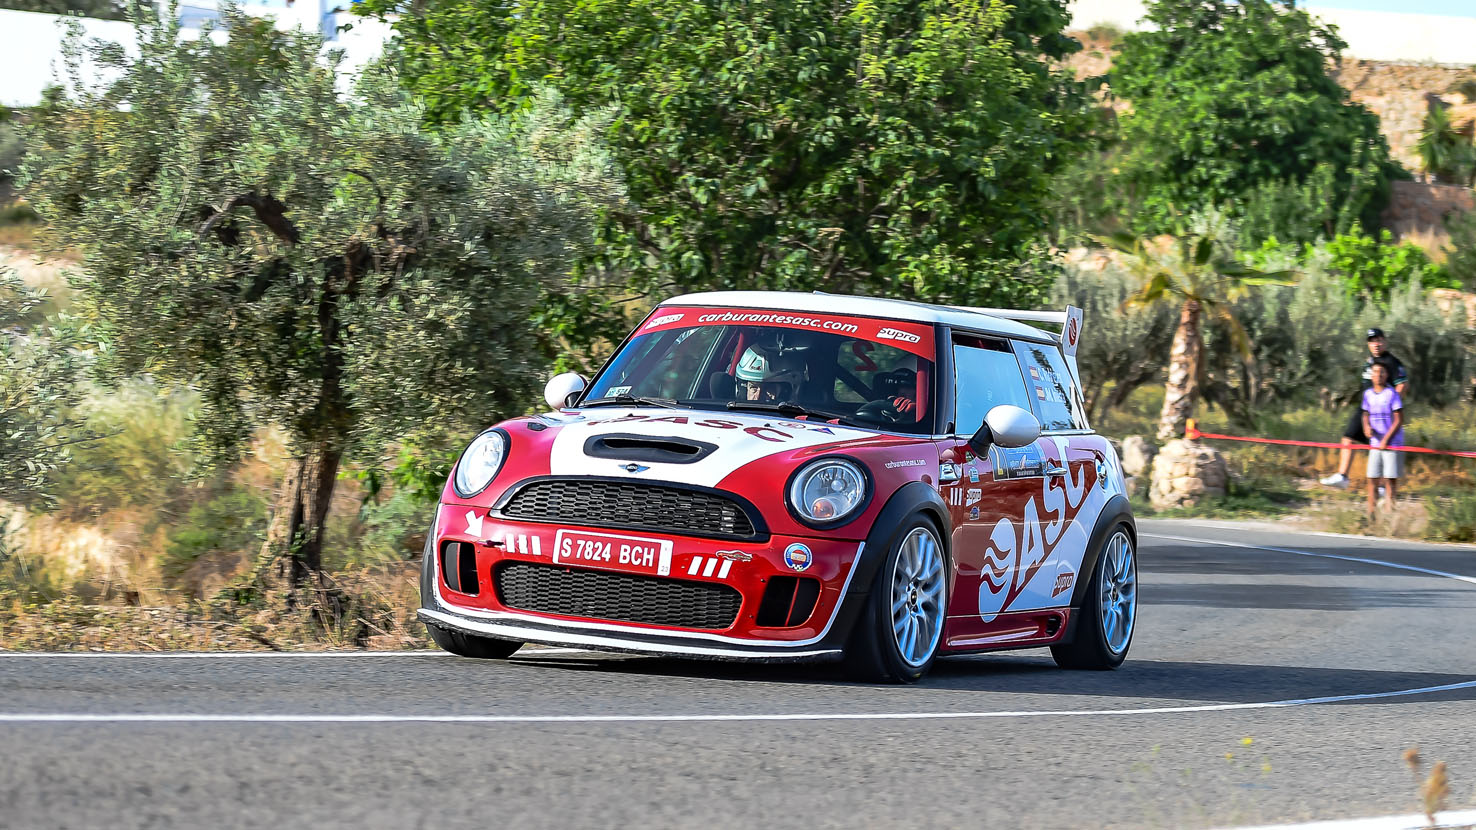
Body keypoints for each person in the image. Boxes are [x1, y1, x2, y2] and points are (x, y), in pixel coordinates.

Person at [1321, 328, 1408, 488]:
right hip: (1366, 409)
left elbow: (1402, 386)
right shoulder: (1369, 362)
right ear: (1368, 344)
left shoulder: (1391, 362)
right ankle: (1342, 477)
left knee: (1381, 446)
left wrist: (1391, 406)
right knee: (1349, 437)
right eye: (1372, 341)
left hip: (1382, 412)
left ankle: (1383, 487)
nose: (1376, 344)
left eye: (1379, 340)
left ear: (1384, 342)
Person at [1362, 362, 1404, 514]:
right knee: (1372, 478)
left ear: (1386, 375)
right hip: (1375, 444)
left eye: (1382, 372)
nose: (1378, 375)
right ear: (1371, 375)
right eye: (1375, 372)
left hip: (1392, 444)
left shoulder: (1392, 394)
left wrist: (1386, 439)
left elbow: (1399, 420)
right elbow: (1365, 414)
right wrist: (1366, 427)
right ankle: (1371, 514)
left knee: (1389, 480)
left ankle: (1389, 515)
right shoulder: (1367, 394)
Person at [735, 345, 808, 402]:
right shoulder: (730, 415)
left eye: (768, 388)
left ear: (786, 391)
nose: (758, 398)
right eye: (754, 388)